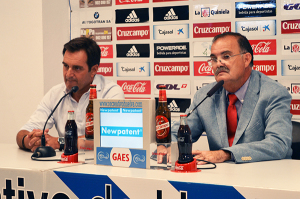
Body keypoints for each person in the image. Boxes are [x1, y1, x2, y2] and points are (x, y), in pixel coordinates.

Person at [170, 32, 293, 164]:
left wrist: (226, 154)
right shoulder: (205, 95)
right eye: (214, 59)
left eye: (226, 56)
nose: (218, 64)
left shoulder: (273, 93)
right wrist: (165, 145)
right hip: (221, 177)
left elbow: (278, 144)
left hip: (264, 175)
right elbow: (179, 133)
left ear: (246, 59)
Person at [16, 37, 124, 152]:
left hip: (101, 166)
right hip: (64, 165)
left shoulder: (111, 93)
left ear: (93, 70)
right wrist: (33, 141)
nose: (68, 74)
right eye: (66, 66)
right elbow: (22, 133)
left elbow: (110, 138)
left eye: (77, 68)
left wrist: (60, 142)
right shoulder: (55, 93)